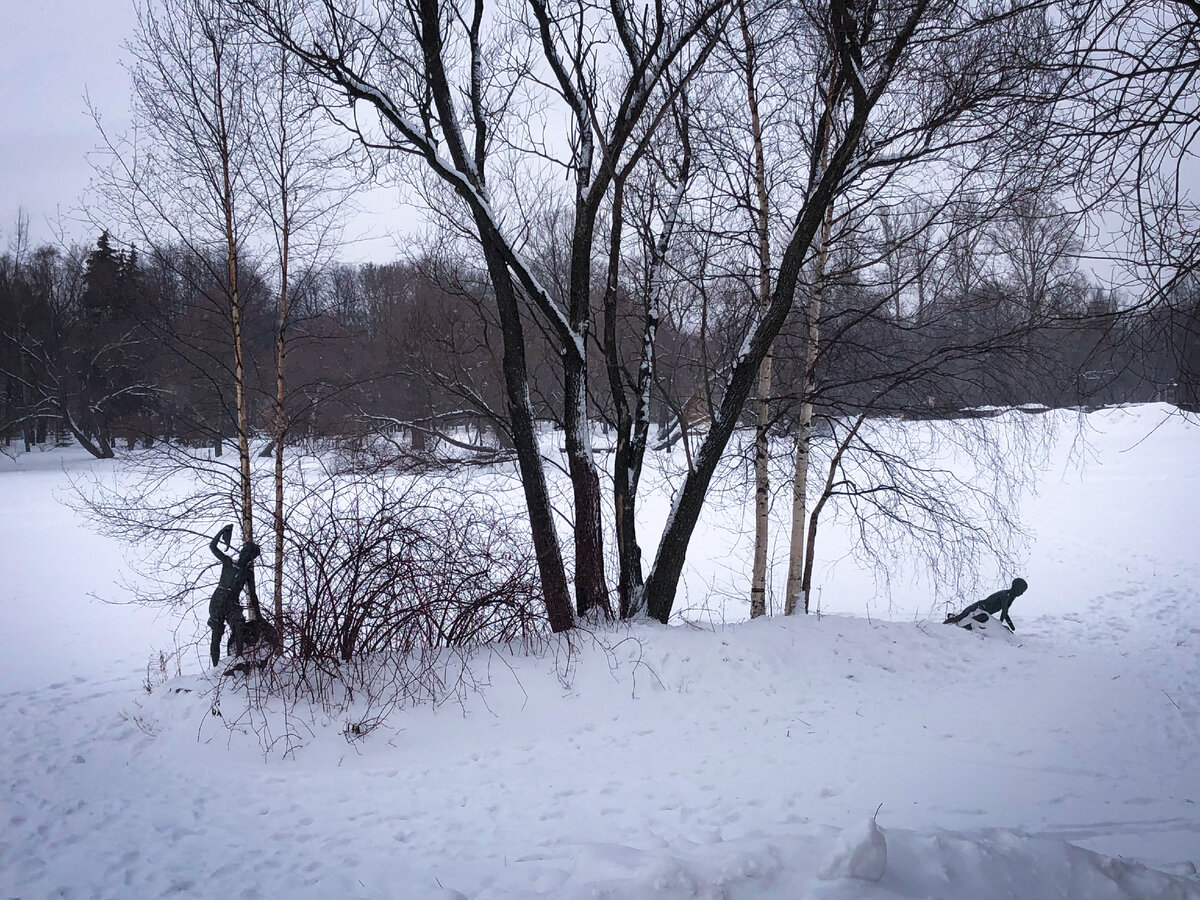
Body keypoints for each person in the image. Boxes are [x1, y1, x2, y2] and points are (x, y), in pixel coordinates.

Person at [207, 524, 262, 666]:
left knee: (239, 626)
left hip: (232, 603)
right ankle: (215, 668)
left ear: (251, 557)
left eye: (248, 554)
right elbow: (212, 547)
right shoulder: (228, 562)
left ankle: (238, 658)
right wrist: (222, 531)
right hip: (218, 599)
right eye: (244, 551)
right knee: (216, 634)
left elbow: (253, 595)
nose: (244, 555)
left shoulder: (248, 574)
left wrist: (259, 617)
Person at [944, 577, 1028, 631]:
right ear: (1015, 588)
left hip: (984, 612)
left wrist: (1011, 626)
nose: (1022, 593)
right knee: (959, 618)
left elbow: (1005, 612)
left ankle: (955, 621)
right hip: (978, 607)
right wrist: (1000, 624)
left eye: (1023, 592)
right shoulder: (1005, 595)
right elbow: (1004, 611)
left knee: (970, 621)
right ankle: (942, 626)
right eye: (1021, 591)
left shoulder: (1011, 597)